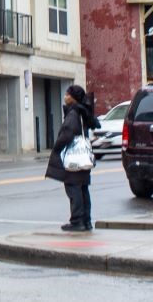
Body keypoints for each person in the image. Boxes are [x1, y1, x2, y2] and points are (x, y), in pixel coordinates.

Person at [45, 85, 101, 232]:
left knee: (73, 188)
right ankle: (86, 221)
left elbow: (67, 133)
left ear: (73, 97)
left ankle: (77, 221)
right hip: (83, 157)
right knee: (83, 189)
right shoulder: (83, 112)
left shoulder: (74, 113)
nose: (65, 96)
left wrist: (57, 147)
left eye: (67, 94)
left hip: (74, 158)